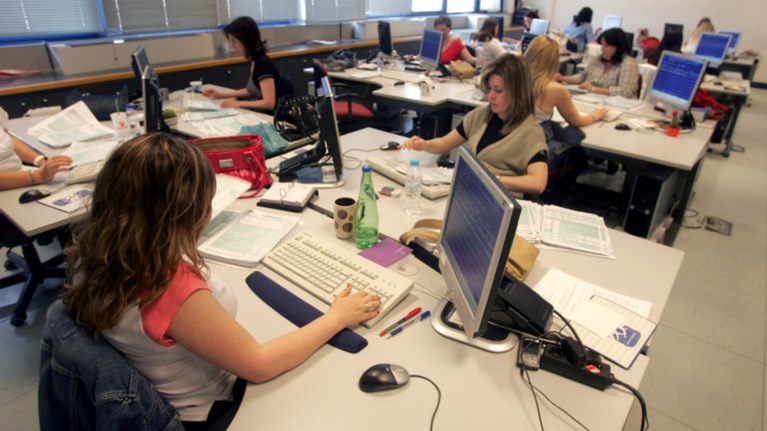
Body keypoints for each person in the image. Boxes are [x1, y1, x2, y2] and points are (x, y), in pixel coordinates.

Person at [61, 133, 381, 429]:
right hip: (205, 411)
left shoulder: (95, 251)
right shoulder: (168, 288)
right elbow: (260, 365)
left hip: (165, 384)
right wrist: (336, 317)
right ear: (182, 213)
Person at [401, 54, 547, 196]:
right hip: (472, 192)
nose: (490, 96)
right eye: (489, 88)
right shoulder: (481, 115)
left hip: (498, 199)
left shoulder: (530, 131)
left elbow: (538, 183)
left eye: (498, 90)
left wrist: (493, 180)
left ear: (518, 93)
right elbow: (445, 143)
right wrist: (424, 144)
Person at [525, 36, 607, 167]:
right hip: (536, 154)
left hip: (512, 149)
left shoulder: (513, 80)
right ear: (554, 61)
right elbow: (577, 122)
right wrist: (595, 116)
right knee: (577, 153)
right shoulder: (555, 89)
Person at [202, 17, 281, 113]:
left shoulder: (263, 63)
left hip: (269, 116)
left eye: (234, 41)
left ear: (247, 40)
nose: (232, 46)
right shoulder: (255, 60)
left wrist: (238, 103)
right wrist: (220, 94)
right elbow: (251, 90)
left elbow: (269, 103)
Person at [556, 28, 639, 98]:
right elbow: (583, 76)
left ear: (618, 47)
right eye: (601, 45)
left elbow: (625, 91)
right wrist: (562, 78)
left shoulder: (628, 62)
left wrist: (593, 89)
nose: (602, 48)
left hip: (616, 105)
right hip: (592, 99)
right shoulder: (599, 59)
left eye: (606, 45)